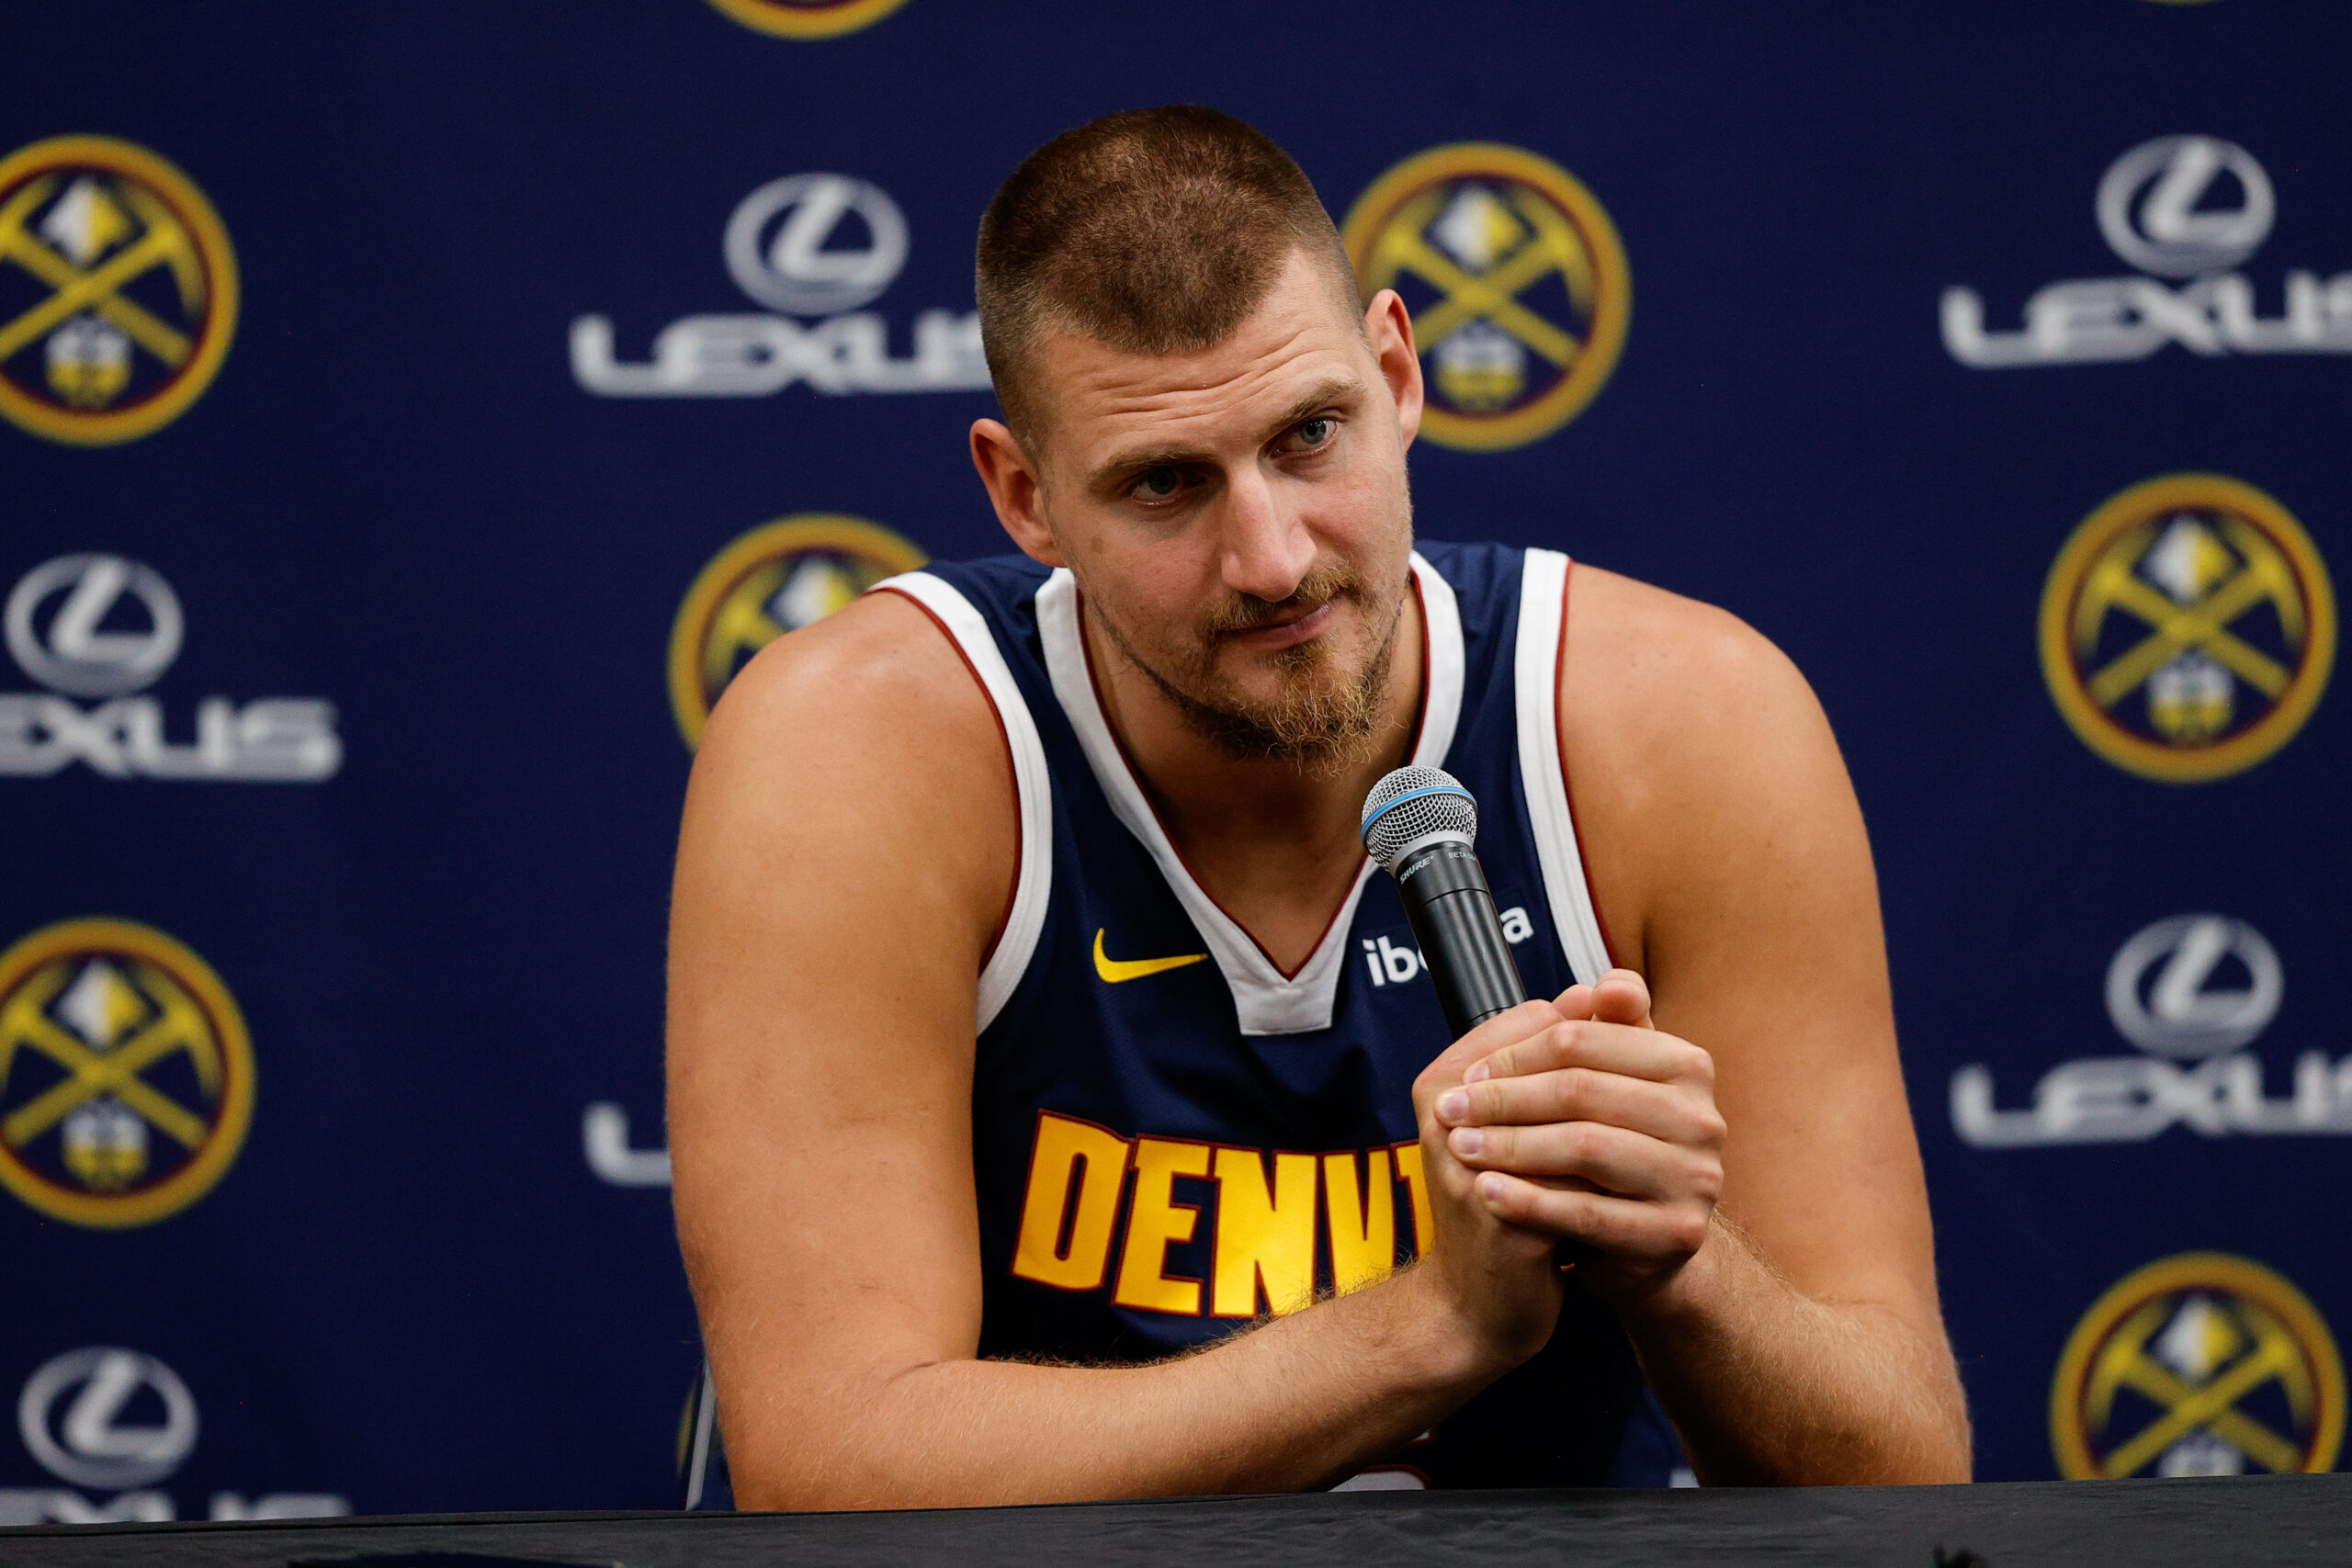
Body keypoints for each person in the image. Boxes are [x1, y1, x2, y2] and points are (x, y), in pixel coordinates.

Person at [665, 106, 1970, 1509]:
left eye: (1309, 436)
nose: (1273, 557)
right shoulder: (864, 749)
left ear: (1398, 373)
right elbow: (831, 1462)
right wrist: (1433, 1325)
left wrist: (1685, 1260)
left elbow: (1901, 1468)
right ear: (1025, 496)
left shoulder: (1680, 728)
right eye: (1166, 485)